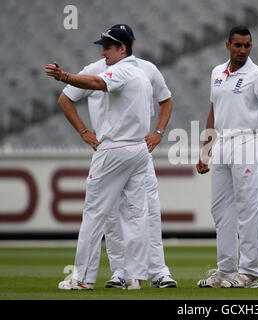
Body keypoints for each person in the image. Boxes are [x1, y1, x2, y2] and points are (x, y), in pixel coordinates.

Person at [59, 24, 177, 290]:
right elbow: (71, 97)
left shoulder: (121, 70)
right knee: (136, 214)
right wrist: (84, 131)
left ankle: (82, 279)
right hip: (137, 149)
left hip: (113, 148)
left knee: (96, 213)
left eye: (108, 47)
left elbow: (99, 83)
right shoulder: (138, 72)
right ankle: (131, 277)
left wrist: (65, 76)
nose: (103, 53)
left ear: (123, 48)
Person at [196, 26, 258, 288]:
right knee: (220, 210)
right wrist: (206, 150)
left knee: (247, 208)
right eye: (238, 45)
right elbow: (213, 111)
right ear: (227, 45)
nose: (242, 50)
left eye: (247, 46)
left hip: (247, 142)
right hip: (223, 143)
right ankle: (226, 271)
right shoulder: (217, 72)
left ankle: (250, 272)